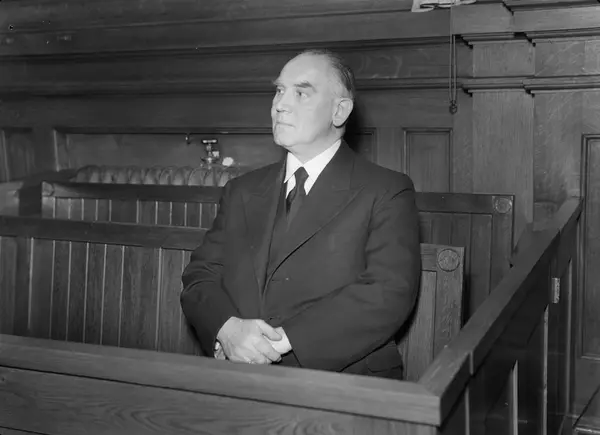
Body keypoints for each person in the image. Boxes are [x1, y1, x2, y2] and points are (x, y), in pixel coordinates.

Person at [181, 49, 421, 379]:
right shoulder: (241, 190)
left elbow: (387, 292)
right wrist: (227, 329)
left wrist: (277, 343)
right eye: (279, 90)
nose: (279, 104)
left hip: (342, 382)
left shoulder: (386, 190)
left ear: (339, 111)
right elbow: (201, 274)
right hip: (238, 377)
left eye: (301, 93)